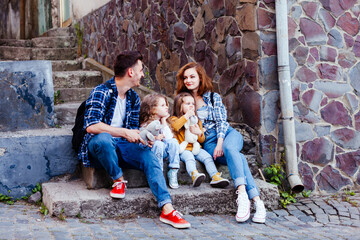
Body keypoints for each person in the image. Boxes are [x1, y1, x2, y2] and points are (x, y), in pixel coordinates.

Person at [78, 51, 190, 229]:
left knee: (149, 155)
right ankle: (118, 179)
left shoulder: (133, 98)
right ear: (131, 72)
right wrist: (124, 132)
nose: (143, 74)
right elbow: (91, 126)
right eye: (140, 70)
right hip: (100, 145)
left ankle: (167, 208)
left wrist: (143, 138)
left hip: (122, 145)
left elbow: (132, 131)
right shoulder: (102, 91)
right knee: (104, 139)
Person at [176, 62, 266, 223]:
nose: (188, 80)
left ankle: (242, 194)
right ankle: (258, 202)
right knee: (240, 158)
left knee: (231, 149)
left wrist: (220, 143)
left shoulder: (212, 97)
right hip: (207, 142)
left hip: (226, 135)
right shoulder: (183, 100)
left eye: (192, 76)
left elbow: (222, 122)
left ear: (200, 77)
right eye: (185, 77)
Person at [171, 92, 230, 188]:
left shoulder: (196, 120)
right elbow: (176, 127)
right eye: (188, 104)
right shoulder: (174, 119)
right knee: (189, 158)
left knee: (207, 157)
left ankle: (215, 176)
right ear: (179, 106)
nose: (191, 106)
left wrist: (199, 132)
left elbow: (202, 140)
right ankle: (194, 174)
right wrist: (186, 116)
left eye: (193, 104)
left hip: (196, 147)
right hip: (183, 149)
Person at [139, 93, 180, 189]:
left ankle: (173, 171)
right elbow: (143, 138)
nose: (166, 107)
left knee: (174, 142)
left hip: (164, 152)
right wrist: (155, 138)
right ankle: (158, 174)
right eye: (162, 105)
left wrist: (164, 121)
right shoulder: (145, 124)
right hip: (152, 151)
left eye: (166, 105)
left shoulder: (163, 122)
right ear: (152, 109)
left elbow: (169, 138)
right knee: (158, 144)